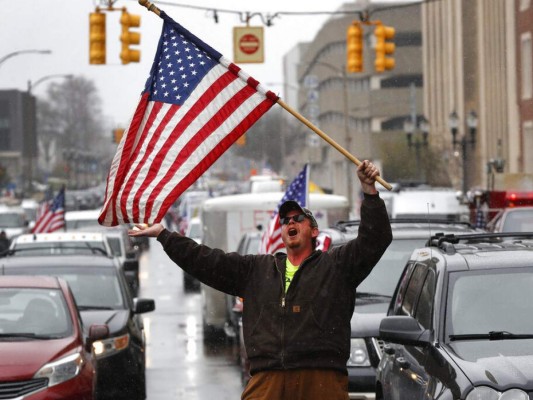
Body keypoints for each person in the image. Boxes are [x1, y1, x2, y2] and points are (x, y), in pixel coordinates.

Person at [129, 160, 392, 400]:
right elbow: (206, 261)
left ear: (313, 231)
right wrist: (165, 235)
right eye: (285, 220)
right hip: (267, 379)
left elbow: (375, 240)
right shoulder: (257, 269)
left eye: (298, 219)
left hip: (321, 380)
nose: (290, 222)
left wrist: (369, 192)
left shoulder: (335, 266)